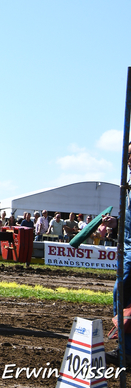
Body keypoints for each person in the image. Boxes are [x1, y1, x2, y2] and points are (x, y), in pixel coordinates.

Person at [107, 143, 131, 366]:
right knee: (122, 298)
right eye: (129, 156)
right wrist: (115, 225)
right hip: (128, 252)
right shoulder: (129, 188)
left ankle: (125, 350)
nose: (129, 160)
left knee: (121, 293)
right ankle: (124, 348)